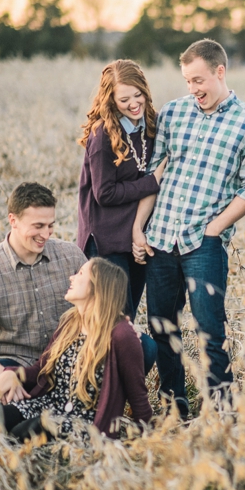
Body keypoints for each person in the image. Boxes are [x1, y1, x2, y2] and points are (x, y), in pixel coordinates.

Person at [132, 39, 245, 417]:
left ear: (220, 72)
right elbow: (153, 174)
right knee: (163, 330)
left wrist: (215, 228)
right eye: (188, 81)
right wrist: (138, 229)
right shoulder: (174, 114)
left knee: (210, 333)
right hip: (160, 239)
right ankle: (175, 409)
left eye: (198, 80)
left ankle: (221, 413)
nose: (193, 89)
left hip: (203, 245)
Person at [0, 258, 153, 440]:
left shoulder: (120, 335)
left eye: (81, 273)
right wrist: (12, 374)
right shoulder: (70, 322)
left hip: (84, 421)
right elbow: (41, 369)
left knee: (22, 434)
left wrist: (144, 444)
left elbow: (138, 395)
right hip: (47, 404)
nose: (71, 278)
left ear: (98, 286)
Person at [0, 182, 88, 404]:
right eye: (38, 226)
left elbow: (99, 303)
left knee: (143, 346)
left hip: (70, 356)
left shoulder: (71, 256)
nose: (45, 234)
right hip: (16, 363)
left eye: (50, 226)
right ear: (13, 221)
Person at [76, 59, 160, 374]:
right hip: (106, 240)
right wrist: (152, 182)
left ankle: (119, 387)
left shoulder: (149, 125)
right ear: (110, 99)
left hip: (133, 236)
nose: (133, 104)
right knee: (111, 323)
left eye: (137, 95)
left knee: (127, 318)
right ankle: (95, 386)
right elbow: (104, 194)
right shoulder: (102, 135)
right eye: (124, 100)